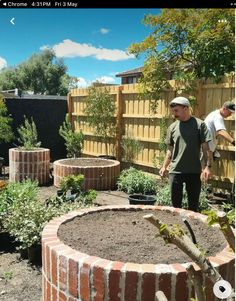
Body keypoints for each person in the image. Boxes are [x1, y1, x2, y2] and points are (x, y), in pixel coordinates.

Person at [159, 96, 212, 212]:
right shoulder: (172, 127)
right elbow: (170, 150)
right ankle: (177, 228)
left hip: (194, 171)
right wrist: (164, 166)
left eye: (176, 110)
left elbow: (206, 148)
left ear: (185, 108)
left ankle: (191, 228)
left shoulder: (200, 125)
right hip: (175, 171)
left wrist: (207, 167)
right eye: (173, 111)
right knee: (175, 206)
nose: (174, 114)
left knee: (193, 206)